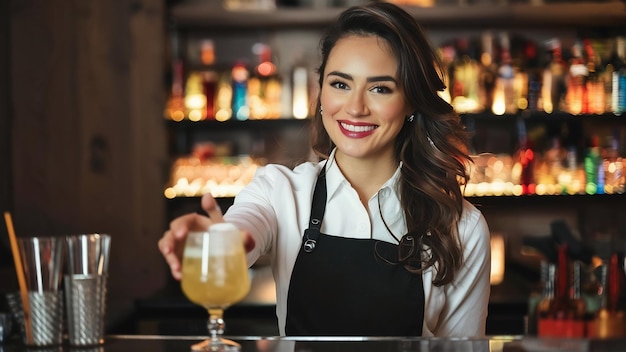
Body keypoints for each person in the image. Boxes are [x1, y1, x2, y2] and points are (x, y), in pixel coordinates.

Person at [159, 1, 490, 338]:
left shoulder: (461, 229)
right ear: (320, 94)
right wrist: (221, 241)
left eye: (380, 88)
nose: (356, 107)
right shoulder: (279, 191)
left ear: (411, 103)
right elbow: (246, 226)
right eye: (340, 84)